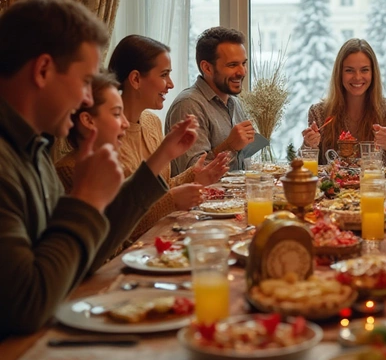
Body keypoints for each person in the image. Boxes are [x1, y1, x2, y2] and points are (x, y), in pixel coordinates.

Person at [0, 0, 197, 336]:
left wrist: (101, 197)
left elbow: (78, 259)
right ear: (43, 70)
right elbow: (24, 306)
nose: (87, 100)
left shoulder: (33, 149)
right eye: (84, 81)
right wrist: (85, 201)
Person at [55, 71, 194, 244]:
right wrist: (171, 200)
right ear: (88, 120)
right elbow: (110, 238)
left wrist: (187, 170)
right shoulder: (70, 169)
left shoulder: (106, 163)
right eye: (116, 114)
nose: (126, 123)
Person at [108, 35, 229, 217]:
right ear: (135, 79)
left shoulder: (151, 122)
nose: (171, 84)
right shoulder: (107, 134)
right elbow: (117, 218)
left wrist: (195, 176)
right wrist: (171, 202)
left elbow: (159, 187)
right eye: (164, 75)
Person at [301, 38, 386, 165]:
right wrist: (308, 145)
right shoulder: (318, 112)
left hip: (374, 184)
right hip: (331, 185)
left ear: (373, 73)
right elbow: (305, 168)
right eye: (349, 70)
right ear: (339, 73)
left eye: (364, 70)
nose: (357, 77)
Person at [165, 27, 255, 174]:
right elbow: (192, 174)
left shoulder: (235, 103)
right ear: (207, 68)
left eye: (243, 63)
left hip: (234, 196)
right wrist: (229, 145)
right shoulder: (189, 105)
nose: (242, 72)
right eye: (232, 65)